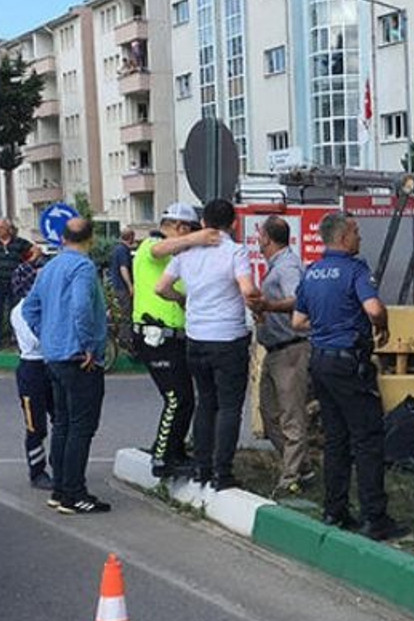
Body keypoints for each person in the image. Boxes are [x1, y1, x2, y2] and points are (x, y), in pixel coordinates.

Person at [292, 211, 409, 542]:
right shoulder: (355, 270)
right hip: (349, 363)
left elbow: (298, 322)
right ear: (343, 237)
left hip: (321, 362)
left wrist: (328, 326)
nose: (360, 238)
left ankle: (335, 510)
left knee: (336, 437)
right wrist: (382, 325)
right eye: (356, 232)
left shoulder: (312, 272)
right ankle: (375, 517)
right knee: (368, 439)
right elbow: (373, 309)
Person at [155, 199, 258, 491]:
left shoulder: (186, 253)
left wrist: (183, 300)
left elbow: (160, 287)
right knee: (228, 407)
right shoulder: (235, 251)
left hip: (196, 338)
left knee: (205, 402)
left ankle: (202, 468)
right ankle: (222, 473)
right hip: (228, 339)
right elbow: (247, 289)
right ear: (234, 223)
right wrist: (258, 304)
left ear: (202, 224)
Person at [21, 217, 111, 515]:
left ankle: (60, 490)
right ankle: (74, 494)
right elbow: (82, 306)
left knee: (62, 422)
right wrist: (87, 344)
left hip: (54, 356)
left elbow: (29, 308)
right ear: (91, 238)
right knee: (81, 427)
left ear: (62, 238)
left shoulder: (49, 267)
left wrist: (48, 333)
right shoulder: (83, 267)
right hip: (79, 357)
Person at [132, 203, 220, 478]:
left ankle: (175, 450)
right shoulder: (152, 245)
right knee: (175, 398)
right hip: (156, 335)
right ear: (180, 228)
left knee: (186, 399)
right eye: (189, 231)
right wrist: (198, 238)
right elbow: (160, 249)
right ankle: (163, 459)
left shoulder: (175, 260)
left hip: (176, 337)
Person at [247, 216, 314, 493]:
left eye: (260, 235)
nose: (258, 239)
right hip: (276, 350)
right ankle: (304, 467)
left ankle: (290, 479)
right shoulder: (276, 265)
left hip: (291, 349)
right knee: (269, 412)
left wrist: (269, 306)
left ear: (267, 239)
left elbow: (299, 299)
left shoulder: (287, 266)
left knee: (290, 415)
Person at [9, 248, 53, 491]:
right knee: (35, 425)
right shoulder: (21, 311)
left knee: (62, 418)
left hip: (53, 366)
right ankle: (37, 471)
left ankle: (61, 463)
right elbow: (37, 340)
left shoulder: (46, 305)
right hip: (33, 368)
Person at [0, 218, 33, 352]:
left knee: (14, 312)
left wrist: (27, 264)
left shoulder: (19, 242)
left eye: (1, 227)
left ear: (8, 229)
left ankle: (16, 338)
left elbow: (36, 250)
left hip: (15, 283)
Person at [108, 228, 138, 348]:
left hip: (118, 286)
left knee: (124, 313)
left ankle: (122, 338)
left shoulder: (117, 249)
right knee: (127, 314)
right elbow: (123, 268)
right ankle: (125, 341)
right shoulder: (123, 250)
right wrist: (130, 286)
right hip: (122, 288)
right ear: (130, 237)